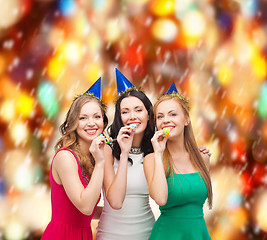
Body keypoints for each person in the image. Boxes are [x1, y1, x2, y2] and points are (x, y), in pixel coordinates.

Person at [96, 69, 210, 240]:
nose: (132, 116)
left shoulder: (155, 151)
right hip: (112, 234)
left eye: (138, 110)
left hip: (146, 232)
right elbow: (116, 201)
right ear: (119, 117)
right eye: (125, 111)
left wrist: (195, 154)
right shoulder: (109, 149)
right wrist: (125, 151)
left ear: (149, 117)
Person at [144, 82, 213, 240]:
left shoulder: (202, 157)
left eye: (172, 114)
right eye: (160, 116)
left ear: (186, 119)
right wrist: (158, 153)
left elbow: (199, 200)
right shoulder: (152, 159)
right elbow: (160, 199)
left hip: (198, 234)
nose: (165, 120)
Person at [41, 78, 108, 240]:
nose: (91, 123)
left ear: (103, 122)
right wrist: (100, 163)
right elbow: (85, 206)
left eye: (96, 117)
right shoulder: (66, 157)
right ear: (73, 123)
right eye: (83, 118)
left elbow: (86, 212)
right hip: (62, 235)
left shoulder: (92, 156)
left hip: (82, 234)